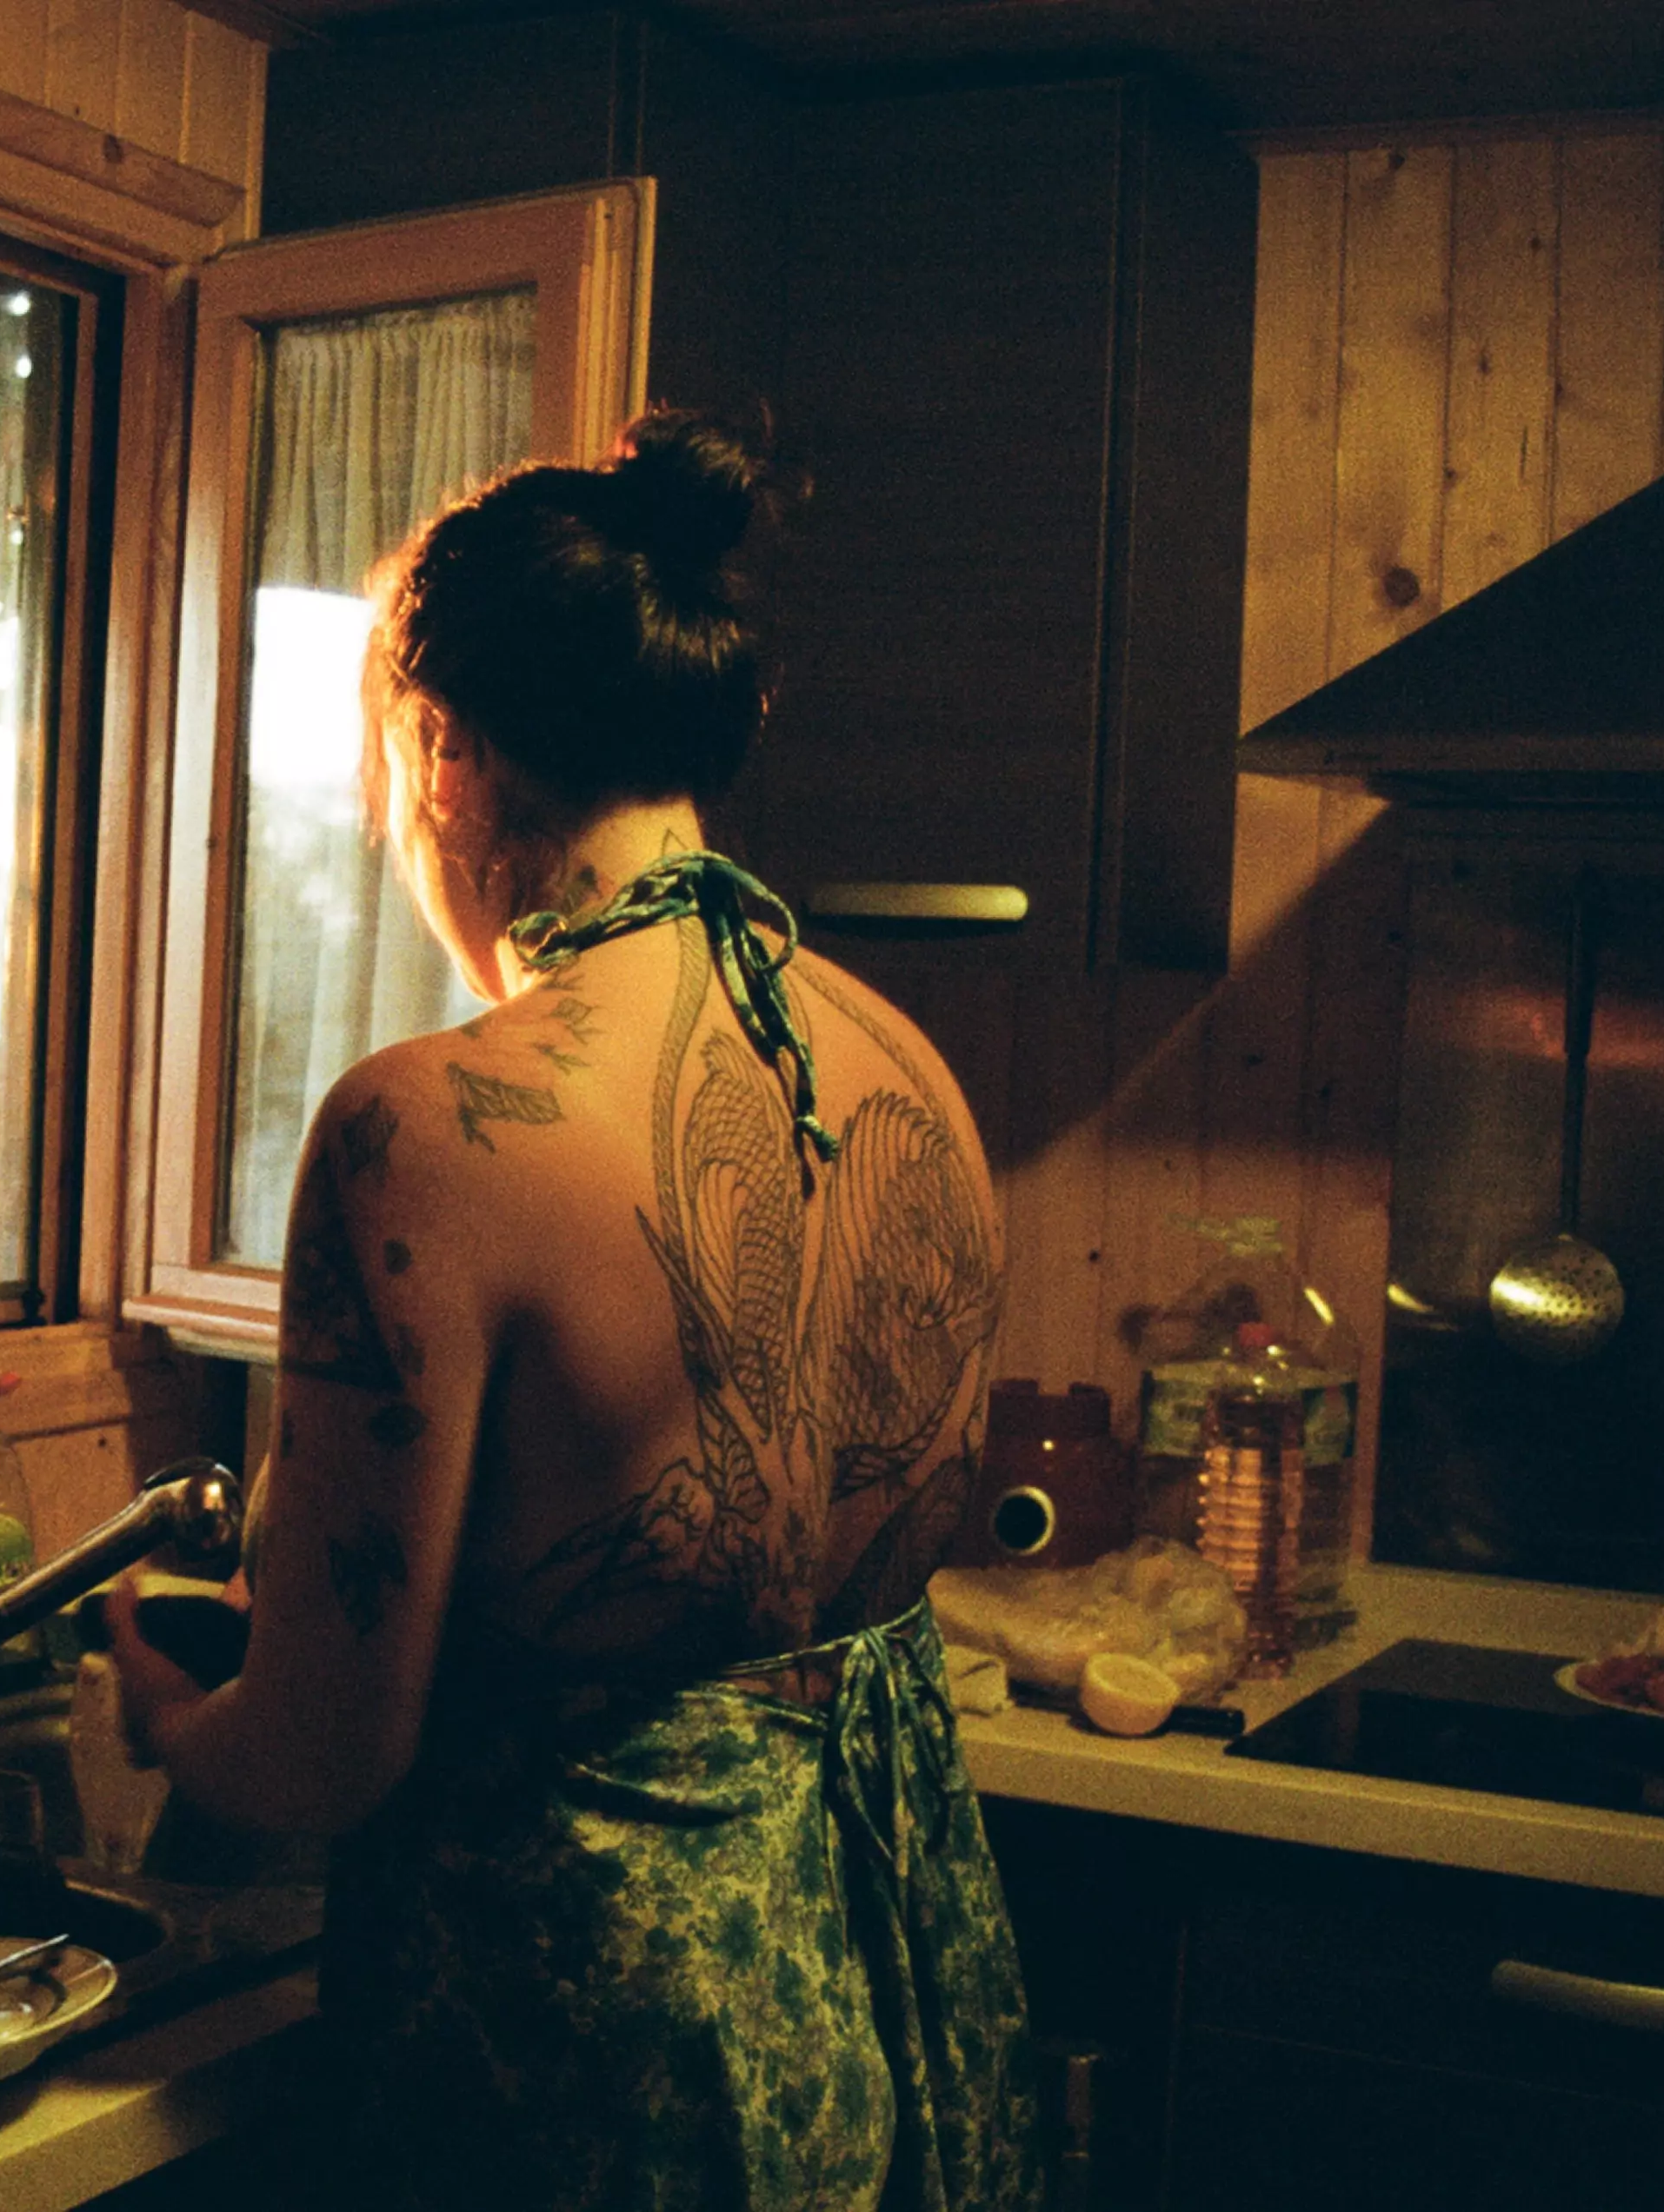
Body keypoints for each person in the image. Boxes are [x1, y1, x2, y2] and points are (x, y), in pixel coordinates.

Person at [105, 410, 1042, 2210]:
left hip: (589, 2058)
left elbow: (321, 1752)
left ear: (445, 755)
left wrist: (170, 1716)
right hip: (882, 1980)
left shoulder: (428, 1127)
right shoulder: (904, 1072)